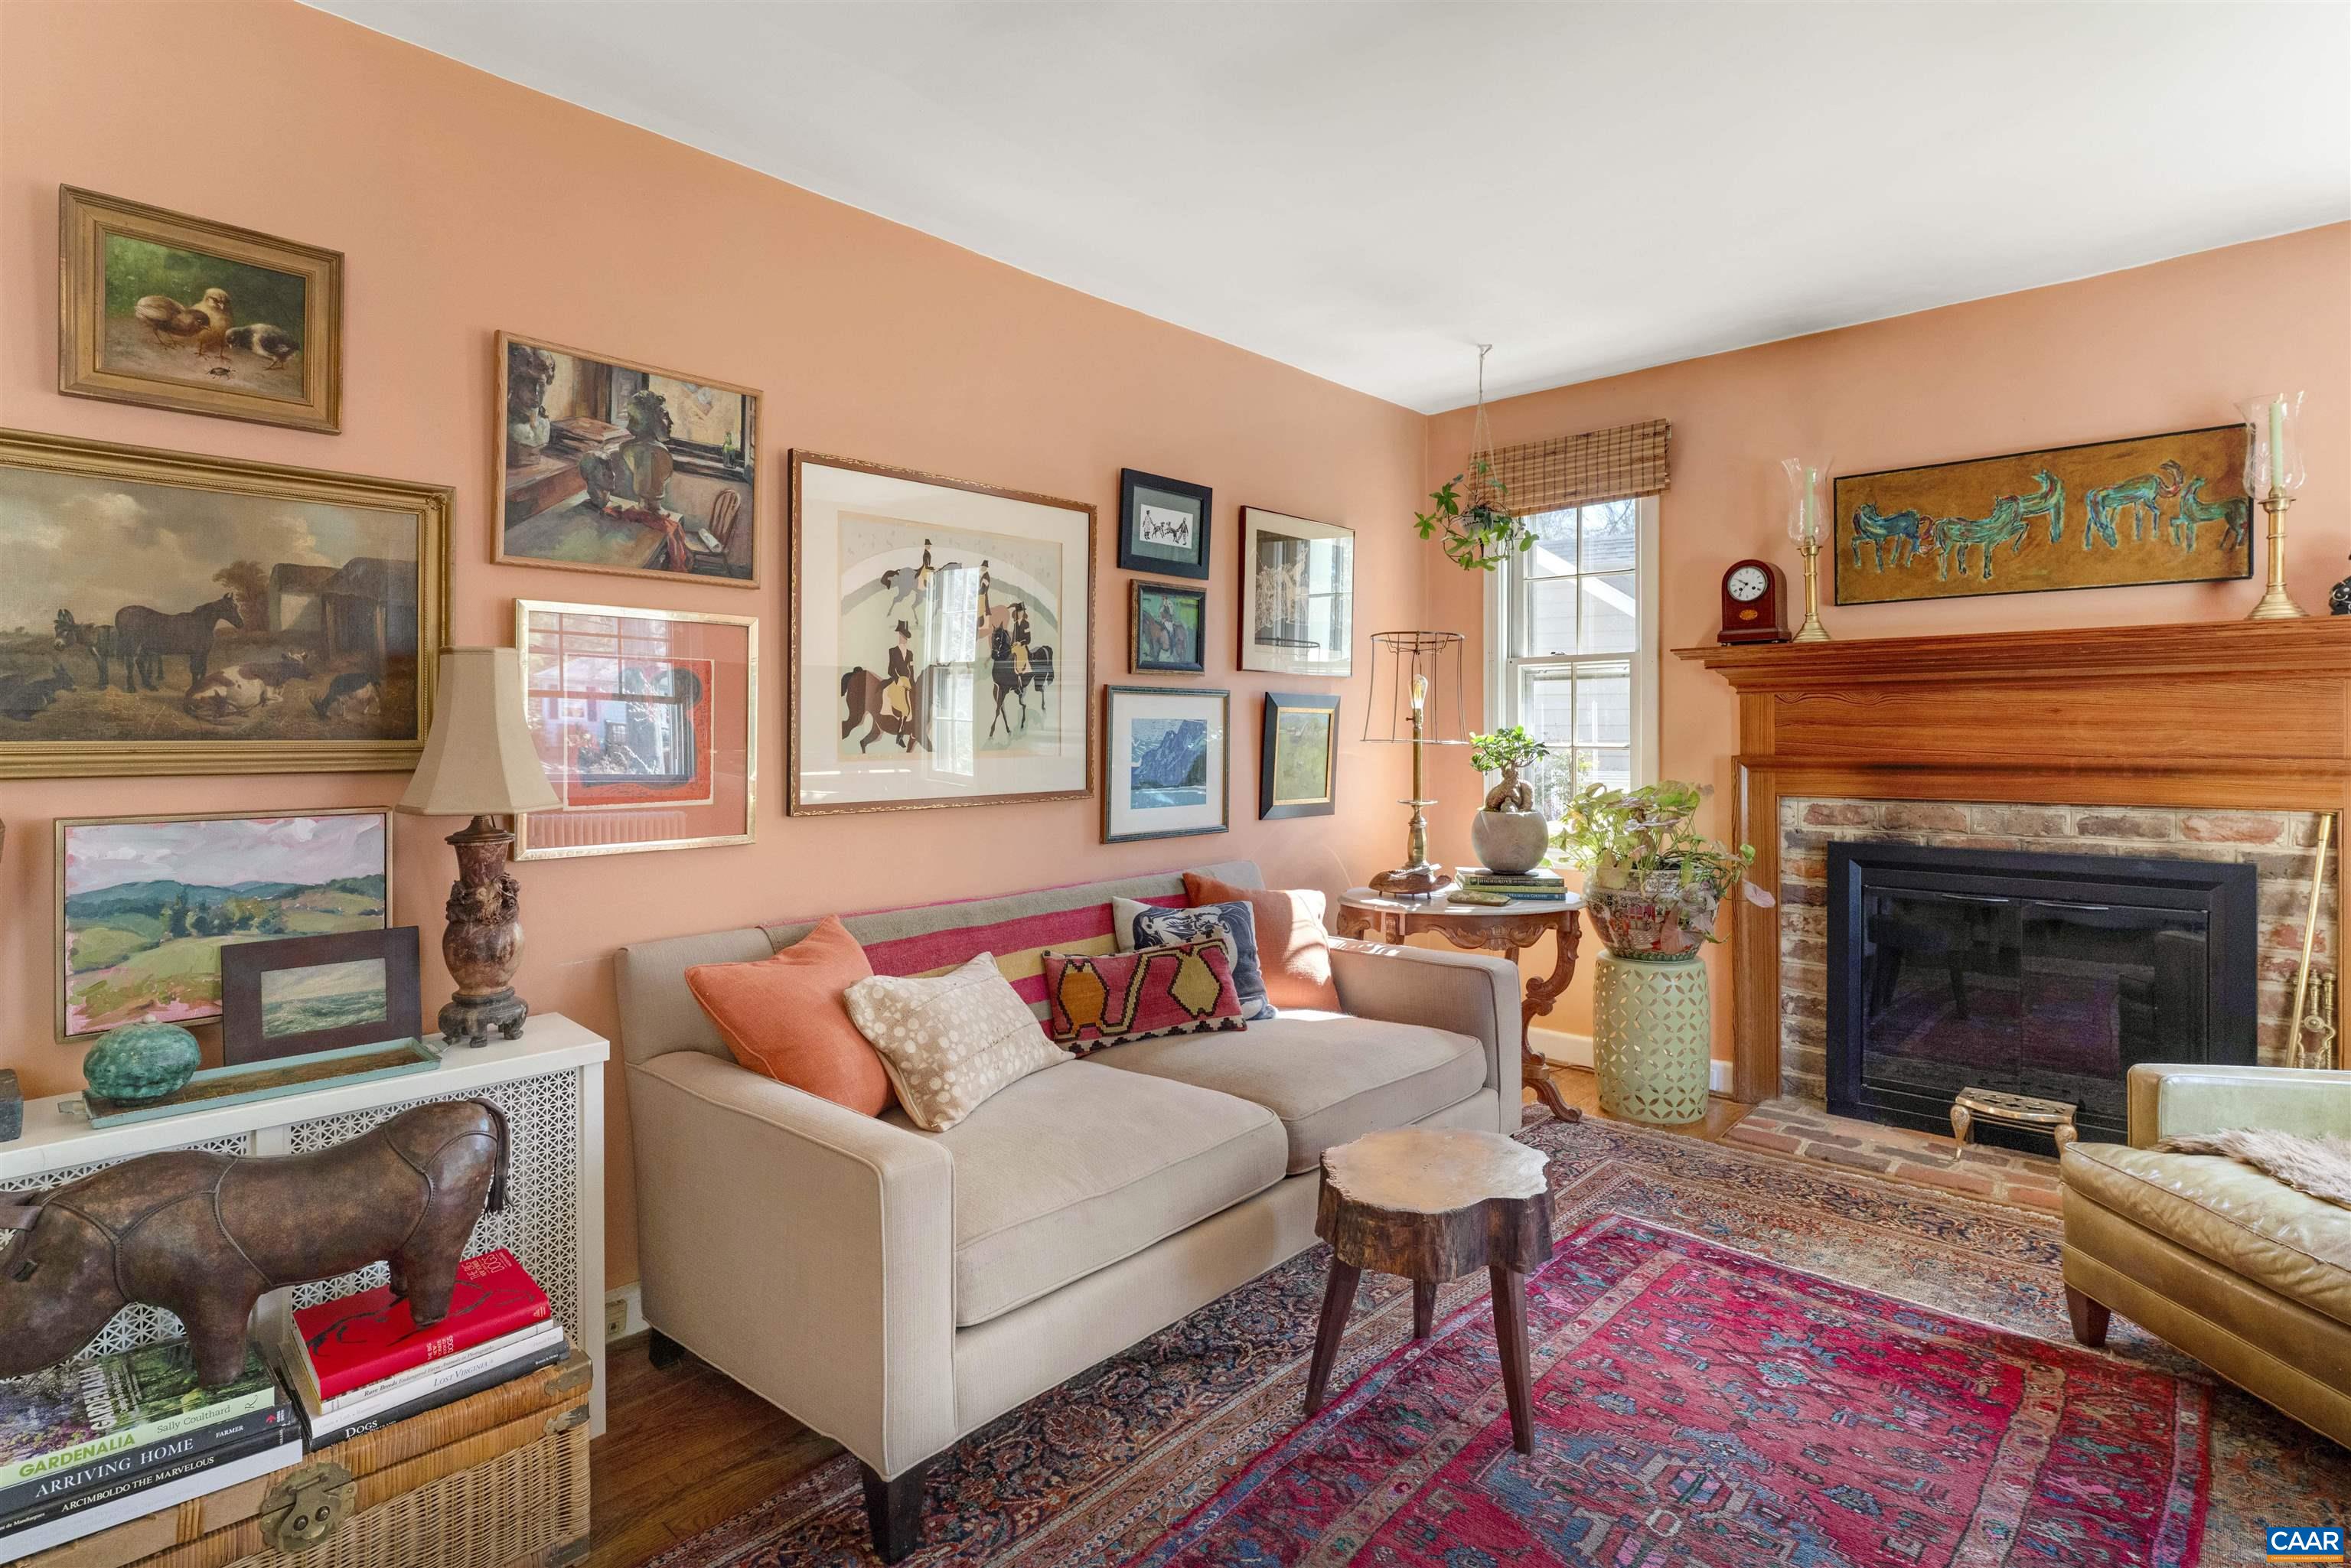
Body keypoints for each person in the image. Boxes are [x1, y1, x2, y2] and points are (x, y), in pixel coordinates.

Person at [883, 620, 915, 723]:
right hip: (899, 681)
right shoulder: (893, 651)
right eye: (902, 635)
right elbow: (890, 670)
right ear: (899, 635)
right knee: (900, 702)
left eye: (905, 636)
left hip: (908, 682)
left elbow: (911, 669)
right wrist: (898, 681)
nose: (903, 638)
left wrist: (913, 683)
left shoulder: (910, 653)